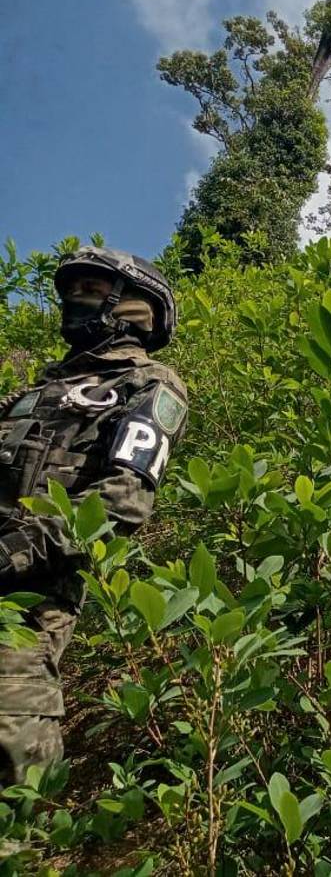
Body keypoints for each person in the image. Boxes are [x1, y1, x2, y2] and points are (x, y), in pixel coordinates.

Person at [0, 246, 187, 785]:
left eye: (89, 290)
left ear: (132, 306)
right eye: (69, 291)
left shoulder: (149, 385)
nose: (73, 302)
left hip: (29, 599)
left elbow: (121, 501)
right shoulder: (35, 390)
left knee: (11, 751)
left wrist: (11, 553)